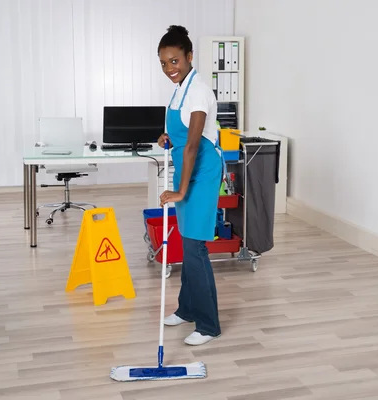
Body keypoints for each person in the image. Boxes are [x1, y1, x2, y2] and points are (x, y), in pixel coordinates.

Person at [157, 25, 224, 346]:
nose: (170, 68)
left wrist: (181, 191)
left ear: (189, 57)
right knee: (187, 242)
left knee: (195, 247)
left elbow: (195, 145)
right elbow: (182, 134)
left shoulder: (198, 91)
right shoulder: (180, 88)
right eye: (165, 64)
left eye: (175, 61)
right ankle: (186, 309)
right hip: (186, 168)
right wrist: (169, 136)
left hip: (201, 170)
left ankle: (209, 324)